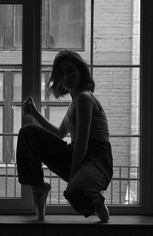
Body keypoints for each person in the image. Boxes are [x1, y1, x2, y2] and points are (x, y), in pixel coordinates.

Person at [16, 50, 113, 222]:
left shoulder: (84, 98)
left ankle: (96, 200)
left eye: (70, 71)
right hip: (77, 153)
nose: (65, 76)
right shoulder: (74, 103)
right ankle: (38, 187)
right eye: (61, 73)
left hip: (97, 159)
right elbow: (59, 134)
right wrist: (34, 114)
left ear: (80, 72)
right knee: (27, 133)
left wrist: (73, 176)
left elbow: (83, 142)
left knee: (74, 193)